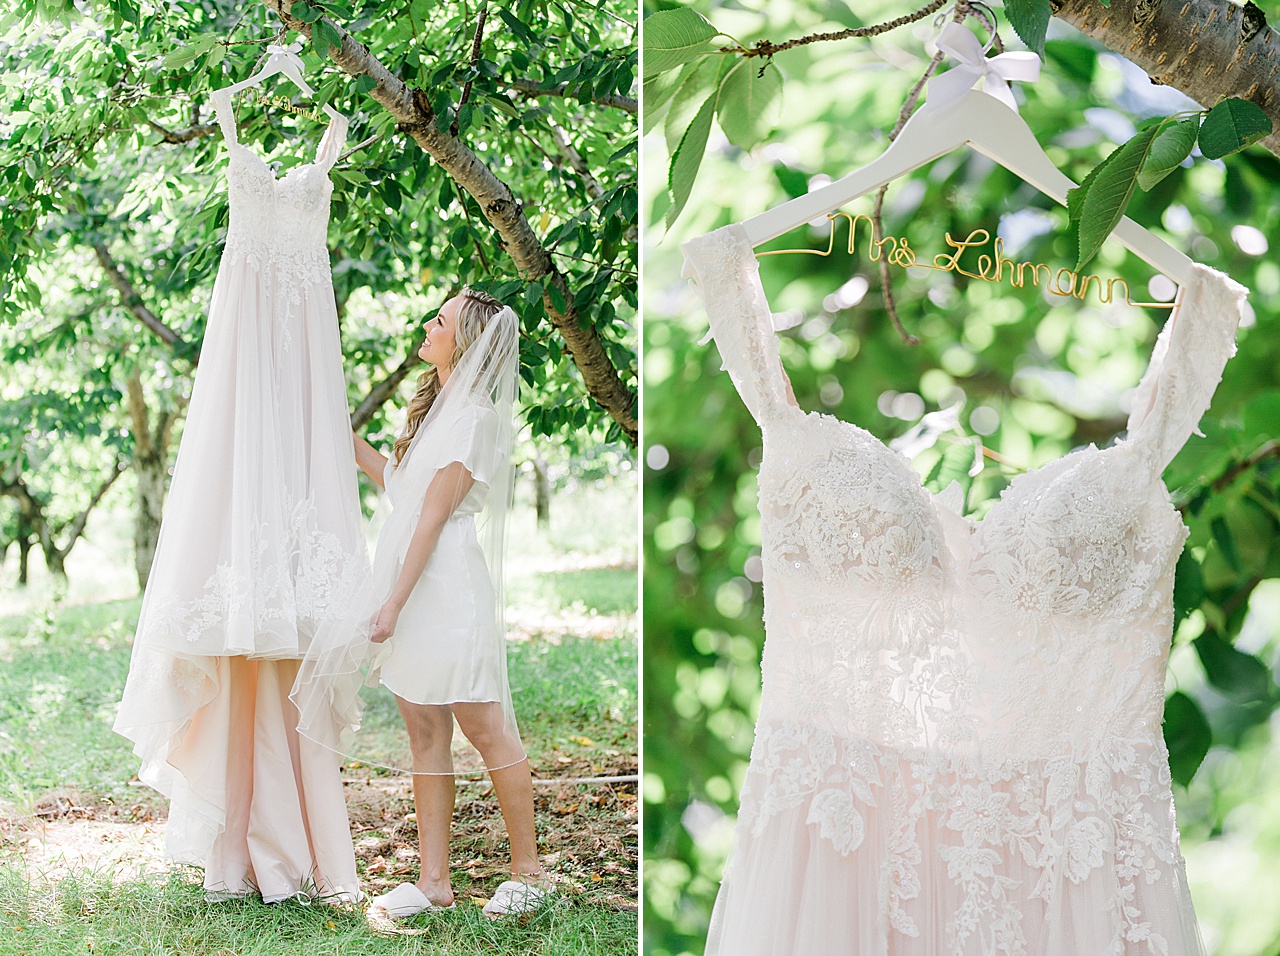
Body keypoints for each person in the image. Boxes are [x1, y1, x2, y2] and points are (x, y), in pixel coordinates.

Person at [294, 288, 551, 919]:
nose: (427, 326)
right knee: (425, 731)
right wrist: (335, 427)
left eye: (440, 321)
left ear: (465, 343)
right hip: (409, 583)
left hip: (446, 587)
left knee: (485, 727)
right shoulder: (438, 411)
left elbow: (433, 520)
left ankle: (530, 872)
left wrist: (391, 605)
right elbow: (400, 487)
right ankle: (433, 881)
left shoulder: (476, 419)